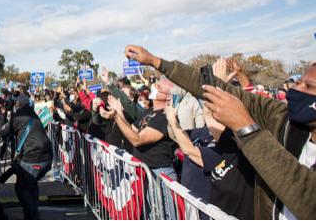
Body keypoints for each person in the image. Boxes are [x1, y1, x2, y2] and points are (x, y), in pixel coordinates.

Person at [123, 44, 316, 219]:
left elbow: (307, 199)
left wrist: (247, 129)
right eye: (298, 83)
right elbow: (216, 89)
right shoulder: (281, 119)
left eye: (309, 86)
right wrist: (156, 61)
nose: (294, 90)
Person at [0, 95, 53, 220]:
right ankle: (32, 214)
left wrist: (3, 114)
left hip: (34, 159)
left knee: (21, 188)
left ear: (19, 105)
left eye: (15, 103)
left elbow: (3, 132)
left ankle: (33, 216)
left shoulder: (19, 116)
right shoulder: (32, 113)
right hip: (47, 158)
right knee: (32, 184)